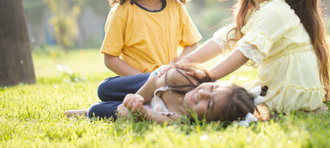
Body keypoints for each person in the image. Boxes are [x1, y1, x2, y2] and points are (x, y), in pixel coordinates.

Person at [177, 0, 330, 113]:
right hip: (277, 85)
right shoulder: (258, 10)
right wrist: (185, 61)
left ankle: (167, 112)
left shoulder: (276, 11)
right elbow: (224, 39)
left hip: (291, 90)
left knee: (222, 103)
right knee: (219, 96)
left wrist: (207, 78)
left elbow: (245, 51)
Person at [65, 64, 266, 124]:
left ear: (210, 120)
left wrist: (138, 110)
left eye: (210, 105)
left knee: (95, 111)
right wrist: (139, 97)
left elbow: (159, 120)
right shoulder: (187, 81)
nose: (203, 94)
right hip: (150, 85)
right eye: (212, 89)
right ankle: (119, 101)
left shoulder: (184, 120)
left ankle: (84, 111)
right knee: (104, 89)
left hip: (150, 106)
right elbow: (156, 82)